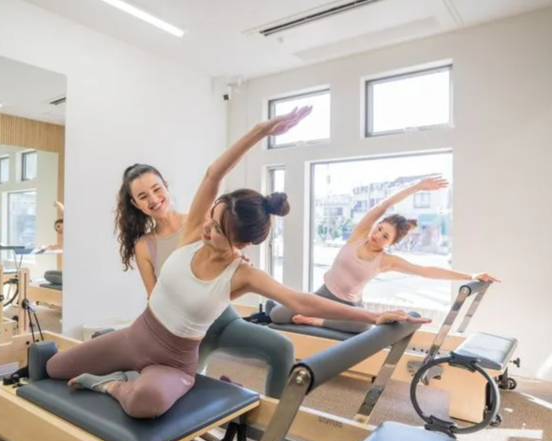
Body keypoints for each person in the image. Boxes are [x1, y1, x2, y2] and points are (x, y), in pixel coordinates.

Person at [45, 107, 430, 419]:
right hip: (136, 336)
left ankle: (109, 384)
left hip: (176, 359)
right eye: (210, 218)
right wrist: (262, 130)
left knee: (146, 404)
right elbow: (215, 173)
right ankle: (120, 375)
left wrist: (371, 318)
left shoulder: (242, 273)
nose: (206, 228)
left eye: (216, 228)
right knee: (54, 369)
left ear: (241, 242)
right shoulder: (191, 230)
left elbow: (302, 302)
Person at [113, 163, 293, 398]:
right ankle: (228, 389)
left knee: (283, 348)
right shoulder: (144, 246)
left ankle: (273, 426)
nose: (154, 199)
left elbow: (230, 247)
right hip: (185, 335)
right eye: (143, 196)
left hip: (224, 321)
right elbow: (154, 297)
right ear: (135, 204)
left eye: (157, 189)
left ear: (166, 186)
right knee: (177, 395)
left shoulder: (199, 221)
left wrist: (238, 258)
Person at [270, 176, 499, 333]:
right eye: (379, 228)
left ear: (391, 243)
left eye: (385, 236)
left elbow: (425, 271)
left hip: (349, 304)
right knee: (277, 315)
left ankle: (316, 321)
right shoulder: (359, 234)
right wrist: (417, 186)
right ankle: (315, 315)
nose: (378, 235)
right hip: (323, 295)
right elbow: (384, 205)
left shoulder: (386, 261)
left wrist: (471, 274)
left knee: (363, 326)